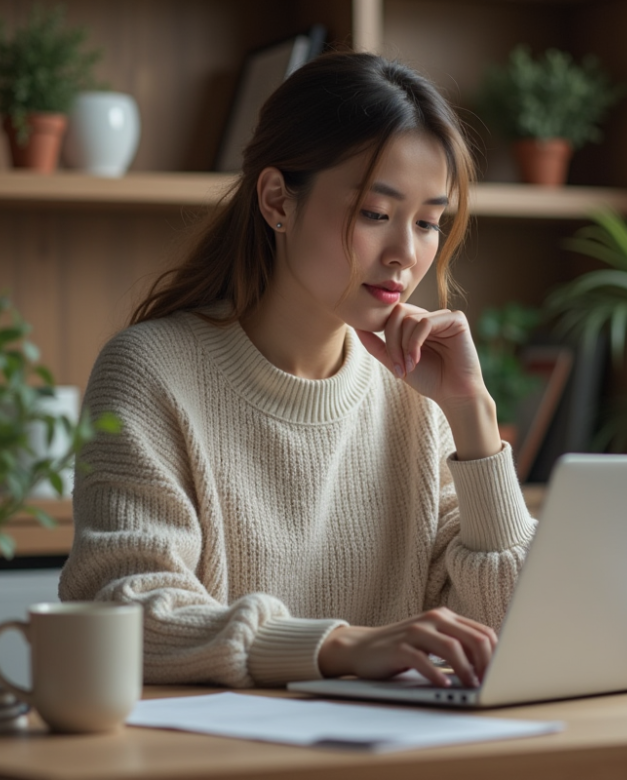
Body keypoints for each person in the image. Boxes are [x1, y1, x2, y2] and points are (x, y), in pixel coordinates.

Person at [59, 51, 535, 690]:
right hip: (213, 743)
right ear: (277, 200)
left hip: (399, 741)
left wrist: (474, 418)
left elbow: (514, 628)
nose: (405, 253)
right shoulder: (150, 371)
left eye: (428, 222)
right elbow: (123, 608)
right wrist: (336, 647)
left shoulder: (418, 395)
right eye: (376, 213)